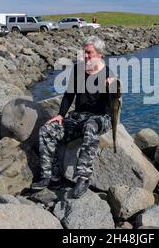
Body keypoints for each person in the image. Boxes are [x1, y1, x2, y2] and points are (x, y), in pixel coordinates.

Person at [31, 36, 118, 198]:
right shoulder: (78, 70)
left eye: (89, 53)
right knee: (47, 129)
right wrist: (60, 115)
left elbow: (112, 105)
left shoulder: (109, 75)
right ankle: (51, 176)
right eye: (84, 52)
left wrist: (111, 89)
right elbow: (69, 95)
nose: (85, 56)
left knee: (91, 126)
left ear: (99, 54)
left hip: (101, 118)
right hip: (79, 116)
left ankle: (83, 178)